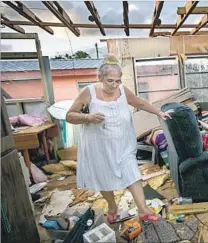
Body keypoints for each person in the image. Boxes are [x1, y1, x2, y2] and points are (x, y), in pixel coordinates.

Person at [66, 54, 172, 223]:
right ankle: (112, 206)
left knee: (132, 173)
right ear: (100, 77)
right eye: (110, 81)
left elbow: (139, 103)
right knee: (104, 177)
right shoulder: (89, 92)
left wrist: (158, 112)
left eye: (118, 81)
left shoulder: (122, 91)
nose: (114, 85)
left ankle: (143, 210)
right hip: (98, 146)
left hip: (123, 144)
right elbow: (69, 116)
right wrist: (88, 117)